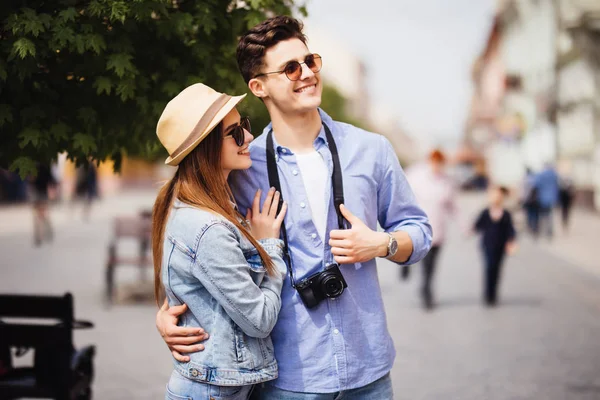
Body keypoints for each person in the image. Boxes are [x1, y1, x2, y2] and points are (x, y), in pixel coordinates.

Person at [156, 16, 431, 399]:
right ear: (258, 86)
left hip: (369, 373)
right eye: (290, 68)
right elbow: (192, 245)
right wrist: (169, 314)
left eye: (310, 61)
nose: (306, 74)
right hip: (286, 380)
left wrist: (381, 243)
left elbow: (419, 231)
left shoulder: (371, 150)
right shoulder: (239, 165)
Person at [152, 83, 288, 399]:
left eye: (246, 127)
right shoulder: (207, 225)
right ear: (206, 146)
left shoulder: (198, 204)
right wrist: (269, 245)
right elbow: (259, 321)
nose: (249, 139)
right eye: (236, 133)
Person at [404, 149, 456, 309]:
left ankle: (424, 287)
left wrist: (465, 226)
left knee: (432, 265)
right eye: (434, 162)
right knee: (425, 264)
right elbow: (405, 199)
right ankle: (426, 293)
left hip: (439, 230)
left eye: (440, 163)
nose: (437, 166)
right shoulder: (417, 177)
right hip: (421, 228)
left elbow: (453, 206)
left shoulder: (447, 182)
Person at [473, 185, 517, 306]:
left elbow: (511, 229)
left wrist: (511, 241)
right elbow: (477, 225)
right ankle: (487, 294)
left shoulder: (506, 213)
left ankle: (493, 295)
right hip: (487, 245)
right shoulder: (485, 212)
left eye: (499, 196)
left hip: (501, 246)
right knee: (489, 268)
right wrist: (470, 229)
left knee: (497, 269)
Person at [30, 162, 57, 246]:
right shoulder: (45, 167)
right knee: (42, 214)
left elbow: (30, 181)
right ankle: (45, 233)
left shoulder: (33, 167)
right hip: (41, 194)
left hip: (37, 193)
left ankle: (40, 235)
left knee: (38, 215)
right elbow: (52, 180)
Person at [534, 163, 559, 239]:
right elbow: (557, 186)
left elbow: (536, 185)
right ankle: (549, 231)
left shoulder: (541, 174)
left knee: (542, 215)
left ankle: (541, 231)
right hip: (551, 198)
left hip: (542, 198)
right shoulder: (554, 174)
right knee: (549, 215)